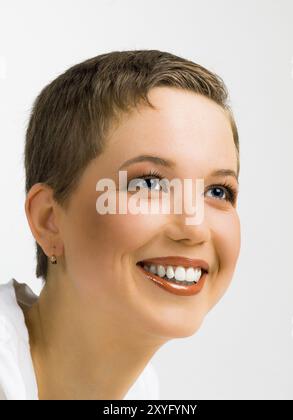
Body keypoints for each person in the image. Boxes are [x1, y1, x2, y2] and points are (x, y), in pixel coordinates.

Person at [0, 49, 241, 399]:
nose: (195, 228)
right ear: (49, 221)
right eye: (149, 184)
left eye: (217, 190)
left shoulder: (143, 391)